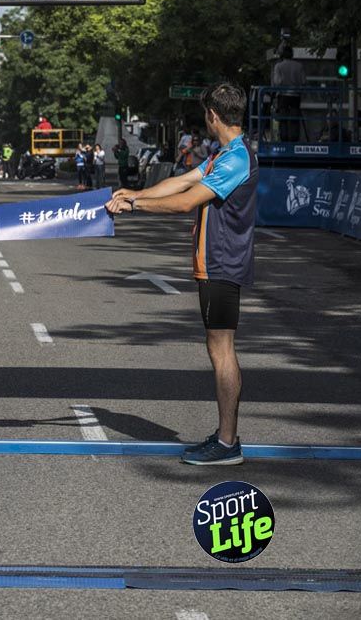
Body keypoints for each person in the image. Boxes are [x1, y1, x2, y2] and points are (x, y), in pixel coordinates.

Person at [106, 82, 257, 466]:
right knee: (217, 347)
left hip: (223, 262)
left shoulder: (237, 158)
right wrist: (134, 192)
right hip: (216, 263)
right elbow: (183, 181)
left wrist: (136, 207)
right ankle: (225, 438)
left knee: (222, 349)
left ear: (212, 115)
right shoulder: (226, 154)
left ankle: (227, 443)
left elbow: (188, 201)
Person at [271, 44, 306, 142]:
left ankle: (284, 138)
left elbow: (277, 82)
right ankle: (294, 138)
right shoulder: (299, 66)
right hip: (295, 95)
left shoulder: (279, 66)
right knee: (294, 118)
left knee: (283, 119)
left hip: (283, 96)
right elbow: (303, 81)